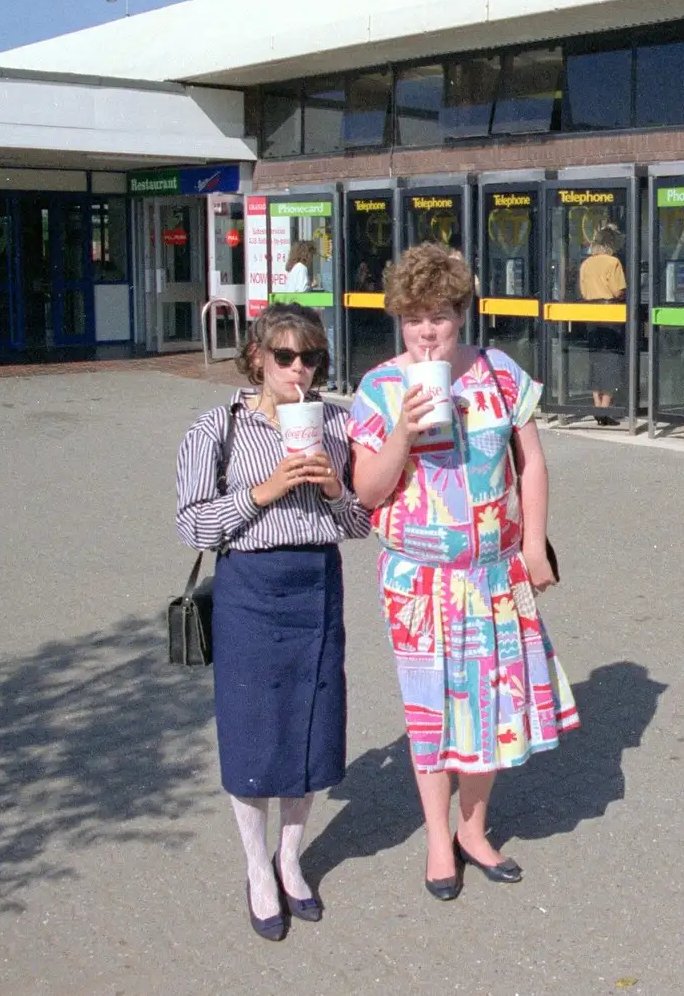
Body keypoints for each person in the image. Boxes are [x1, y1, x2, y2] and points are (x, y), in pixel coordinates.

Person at [348, 243, 579, 902]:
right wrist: (400, 432)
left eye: (441, 317)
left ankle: (474, 832)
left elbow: (530, 462)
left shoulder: (500, 373)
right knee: (432, 716)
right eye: (415, 317)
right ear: (399, 317)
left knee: (491, 708)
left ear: (461, 316)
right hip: (417, 582)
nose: (427, 331)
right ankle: (435, 838)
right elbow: (366, 493)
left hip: (493, 574)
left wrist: (533, 544)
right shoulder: (381, 387)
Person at [175, 304, 372, 941]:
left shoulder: (338, 425)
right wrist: (266, 488)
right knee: (252, 728)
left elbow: (363, 525)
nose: (299, 370)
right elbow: (193, 525)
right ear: (257, 355)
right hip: (250, 590)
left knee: (312, 726)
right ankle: (257, 867)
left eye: (311, 357)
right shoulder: (216, 430)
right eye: (285, 356)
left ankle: (291, 857)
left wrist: (336, 492)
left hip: (317, 583)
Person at [578, 223, 627, 426]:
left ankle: (596, 404)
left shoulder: (586, 264)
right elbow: (618, 291)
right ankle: (605, 409)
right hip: (609, 311)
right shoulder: (613, 262)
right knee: (611, 360)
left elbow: (582, 291)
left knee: (595, 358)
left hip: (590, 312)